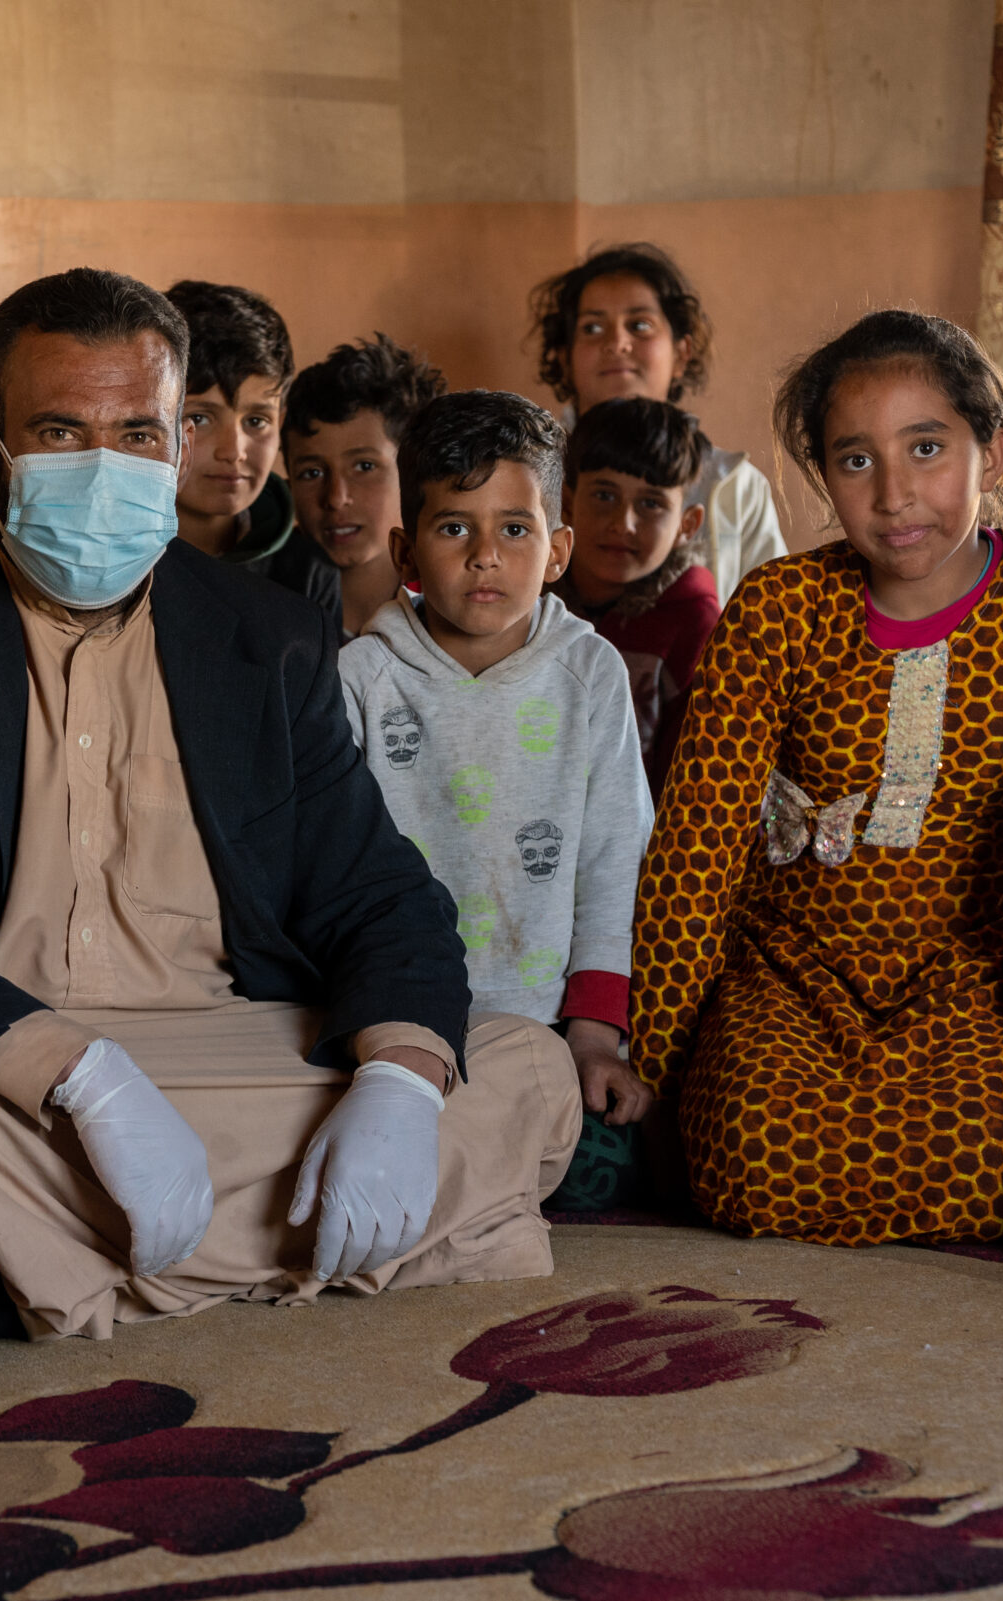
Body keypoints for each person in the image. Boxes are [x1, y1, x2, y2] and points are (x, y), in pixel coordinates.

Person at [0, 268, 579, 1356]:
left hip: (228, 1042)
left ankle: (20, 1277)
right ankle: (337, 1245)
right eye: (58, 430)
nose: (103, 467)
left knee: (523, 1068)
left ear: (177, 447)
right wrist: (75, 1073)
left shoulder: (263, 637)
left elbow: (375, 889)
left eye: (138, 430)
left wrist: (399, 1083)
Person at [630, 310, 1003, 1246]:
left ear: (999, 451)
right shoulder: (779, 608)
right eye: (855, 460)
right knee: (748, 1154)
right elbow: (698, 847)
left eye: (928, 447)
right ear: (823, 476)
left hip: (975, 967)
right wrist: (656, 1058)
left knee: (990, 1153)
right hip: (791, 969)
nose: (896, 493)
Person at [337, 391, 653, 1212]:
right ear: (408, 549)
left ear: (557, 549)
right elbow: (334, 867)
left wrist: (594, 1034)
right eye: (454, 528)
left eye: (514, 529)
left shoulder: (590, 677)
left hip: (543, 1026)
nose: (485, 555)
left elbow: (614, 861)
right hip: (397, 1021)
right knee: (355, 1139)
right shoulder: (364, 678)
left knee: (601, 1170)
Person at [529, 243, 782, 598]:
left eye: (640, 325)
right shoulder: (524, 472)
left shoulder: (735, 487)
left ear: (681, 354)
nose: (617, 343)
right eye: (592, 328)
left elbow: (772, 620)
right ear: (563, 357)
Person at [553, 396, 724, 799]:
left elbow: (689, 785)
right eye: (604, 495)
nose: (623, 523)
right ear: (567, 503)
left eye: (650, 503)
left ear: (687, 525)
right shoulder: (528, 601)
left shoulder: (697, 626)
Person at [163, 279, 337, 615]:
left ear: (280, 422)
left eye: (256, 421)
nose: (234, 451)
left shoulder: (306, 572)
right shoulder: (111, 557)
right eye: (199, 419)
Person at [283, 334, 446, 637]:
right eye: (312, 473)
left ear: (416, 471)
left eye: (364, 467)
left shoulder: (453, 599)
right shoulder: (267, 598)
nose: (336, 498)